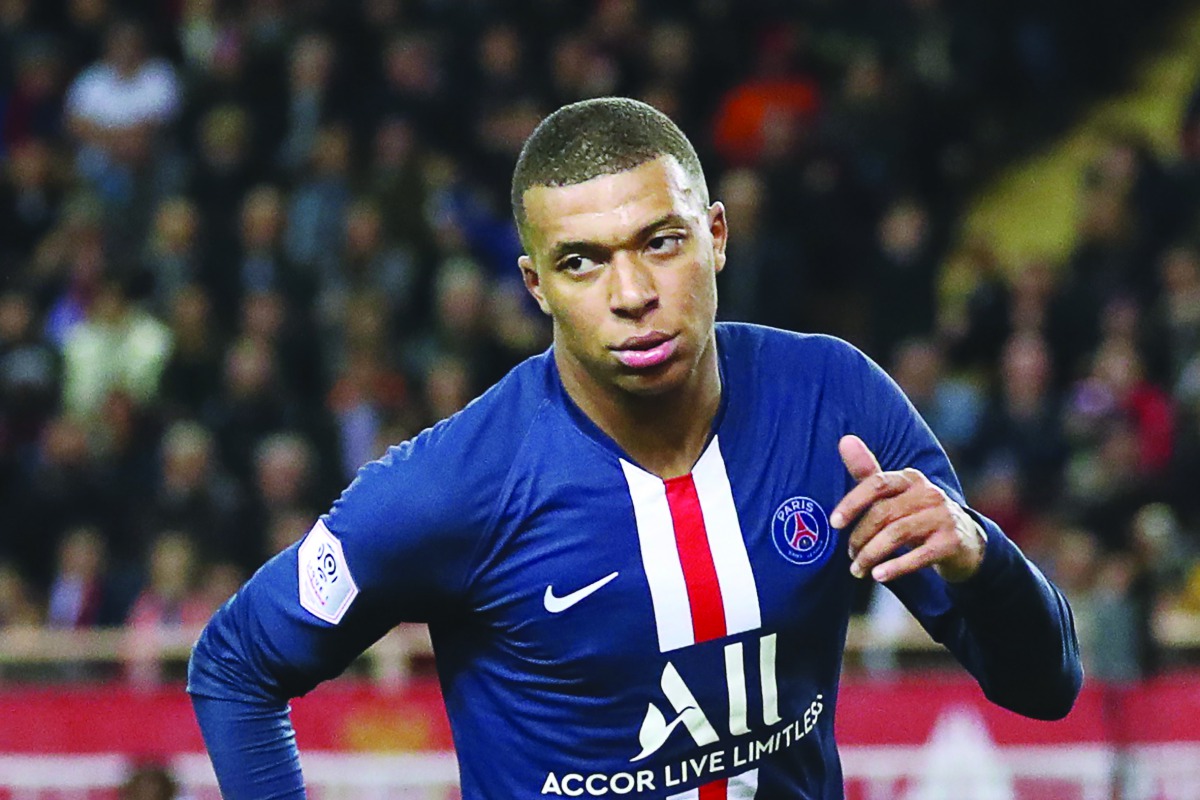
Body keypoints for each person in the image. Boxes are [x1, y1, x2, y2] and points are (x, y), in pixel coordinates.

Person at [188, 97, 1082, 799]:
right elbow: (234, 666)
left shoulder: (835, 404)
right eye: (581, 261)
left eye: (662, 243)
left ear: (717, 236)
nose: (631, 293)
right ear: (535, 284)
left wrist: (979, 556)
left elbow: (1046, 686)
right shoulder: (454, 487)